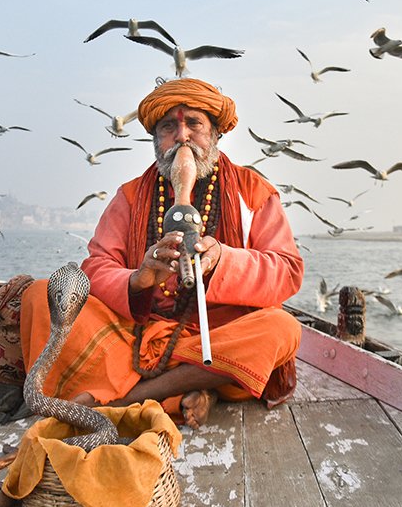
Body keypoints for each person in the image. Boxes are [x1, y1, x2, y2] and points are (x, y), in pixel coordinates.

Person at [20, 77, 304, 428]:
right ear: (156, 140)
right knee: (39, 296)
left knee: (281, 328)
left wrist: (221, 259)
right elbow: (96, 266)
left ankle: (127, 399)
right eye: (169, 127)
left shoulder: (252, 191)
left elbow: (287, 270)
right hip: (136, 336)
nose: (182, 136)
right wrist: (138, 280)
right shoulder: (130, 196)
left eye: (194, 124)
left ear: (215, 134)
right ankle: (198, 384)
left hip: (219, 335)